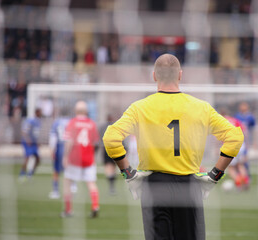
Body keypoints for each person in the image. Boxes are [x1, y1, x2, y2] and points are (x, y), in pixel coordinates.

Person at [103, 54, 244, 240]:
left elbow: (110, 138)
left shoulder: (140, 108)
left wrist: (128, 174)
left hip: (154, 187)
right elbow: (235, 137)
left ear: (154, 75)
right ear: (180, 75)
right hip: (188, 187)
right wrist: (214, 175)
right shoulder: (201, 108)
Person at [61, 101, 100, 218]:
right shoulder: (92, 124)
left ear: (75, 110)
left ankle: (68, 210)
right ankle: (95, 206)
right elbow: (96, 142)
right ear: (86, 111)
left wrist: (65, 156)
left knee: (67, 182)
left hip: (74, 159)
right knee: (91, 183)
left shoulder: (72, 123)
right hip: (89, 159)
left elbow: (69, 142)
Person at [48, 108, 70, 199]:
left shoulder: (56, 123)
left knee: (56, 171)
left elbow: (53, 138)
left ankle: (55, 191)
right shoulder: (71, 122)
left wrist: (52, 150)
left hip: (59, 147)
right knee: (69, 170)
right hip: (69, 148)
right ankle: (72, 187)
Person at [19, 108, 42, 181]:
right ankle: (22, 174)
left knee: (38, 159)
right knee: (27, 158)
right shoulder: (30, 120)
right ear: (37, 112)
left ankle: (30, 173)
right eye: (40, 112)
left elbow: (36, 134)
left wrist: (38, 142)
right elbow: (24, 131)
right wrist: (27, 139)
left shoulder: (38, 122)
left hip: (34, 143)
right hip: (28, 142)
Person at [234, 102, 256, 177]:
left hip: (246, 141)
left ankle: (246, 176)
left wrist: (255, 141)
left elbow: (254, 129)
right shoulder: (237, 116)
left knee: (244, 159)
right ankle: (242, 177)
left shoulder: (250, 117)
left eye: (244, 106)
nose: (242, 107)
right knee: (239, 161)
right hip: (237, 141)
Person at [98, 114, 118, 195]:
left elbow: (100, 138)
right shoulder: (116, 126)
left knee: (108, 167)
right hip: (116, 149)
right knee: (113, 168)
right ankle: (112, 186)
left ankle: (111, 186)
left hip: (106, 149)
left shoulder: (103, 127)